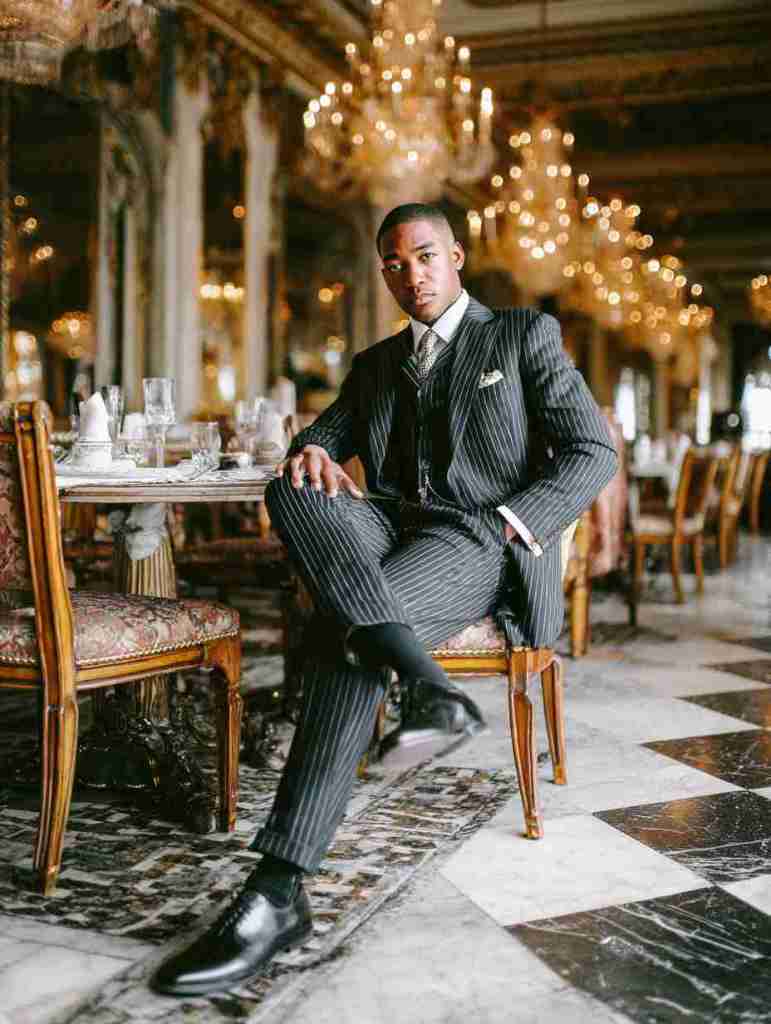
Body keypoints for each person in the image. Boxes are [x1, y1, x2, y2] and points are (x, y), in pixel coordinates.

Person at [152, 202, 618, 996]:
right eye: (395, 264)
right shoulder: (373, 365)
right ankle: (427, 688)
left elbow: (592, 450)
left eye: (426, 256)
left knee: (345, 635)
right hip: (387, 531)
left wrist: (513, 525)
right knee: (291, 490)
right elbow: (322, 441)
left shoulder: (519, 336)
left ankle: (276, 889)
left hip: (475, 540)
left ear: (457, 256)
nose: (412, 275)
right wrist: (312, 455)